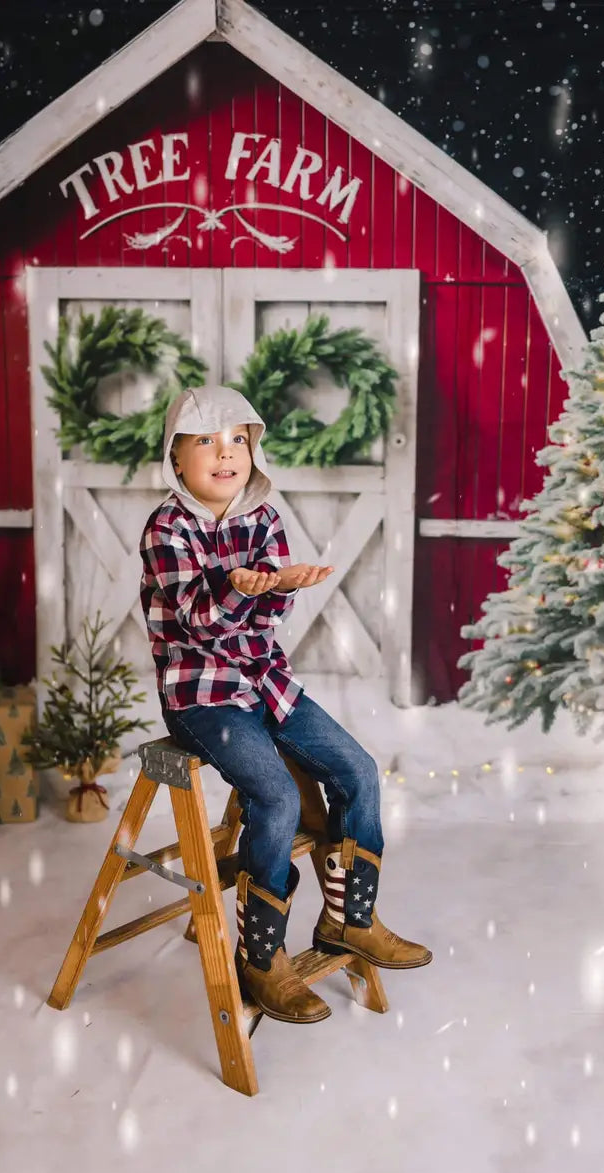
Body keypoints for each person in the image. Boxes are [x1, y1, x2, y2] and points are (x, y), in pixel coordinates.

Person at [139, 384, 431, 1024]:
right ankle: (261, 957)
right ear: (177, 457)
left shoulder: (263, 517)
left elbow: (270, 618)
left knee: (356, 769)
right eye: (206, 442)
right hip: (200, 695)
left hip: (263, 679)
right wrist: (244, 590)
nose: (225, 454)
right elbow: (200, 625)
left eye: (237, 441)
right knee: (275, 794)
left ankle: (348, 920)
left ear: (253, 450)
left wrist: (276, 586)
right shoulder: (168, 528)